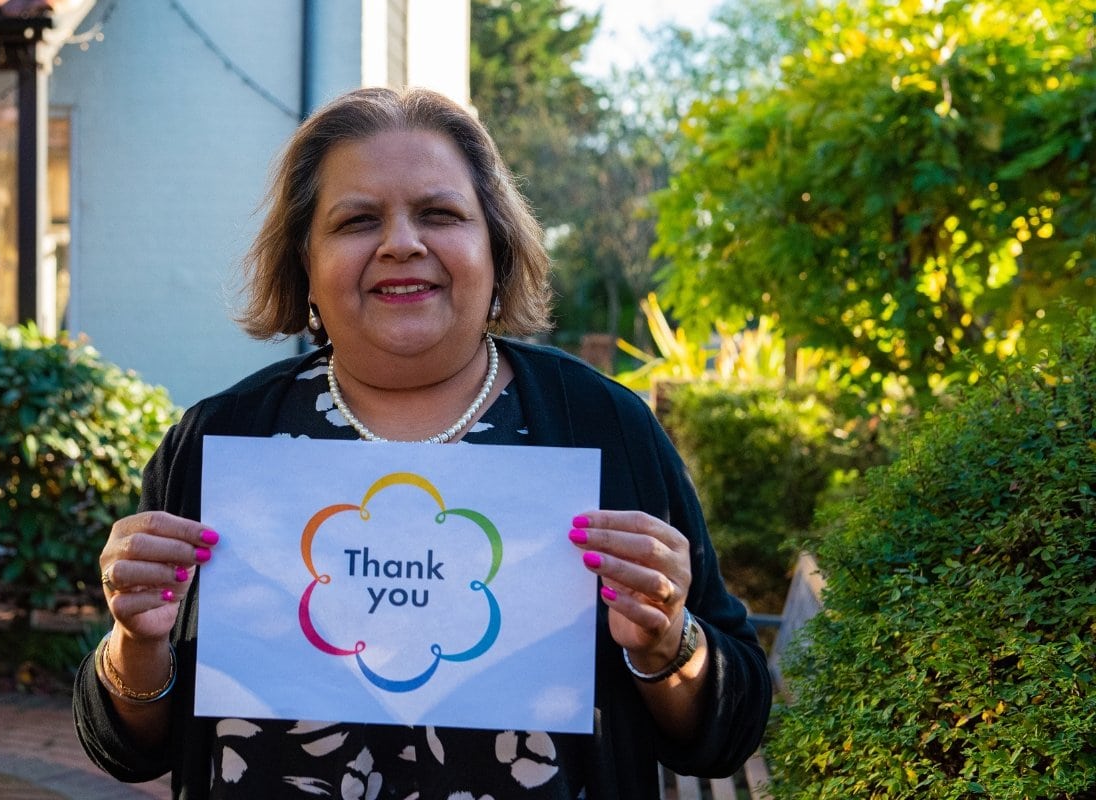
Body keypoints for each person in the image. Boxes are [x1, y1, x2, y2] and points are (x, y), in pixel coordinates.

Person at [74, 86, 771, 799]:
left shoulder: (604, 430)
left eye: (439, 214)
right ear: (304, 264)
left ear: (496, 248)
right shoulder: (220, 442)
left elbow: (728, 730)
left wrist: (667, 644)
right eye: (356, 220)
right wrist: (138, 644)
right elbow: (128, 749)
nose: (402, 243)